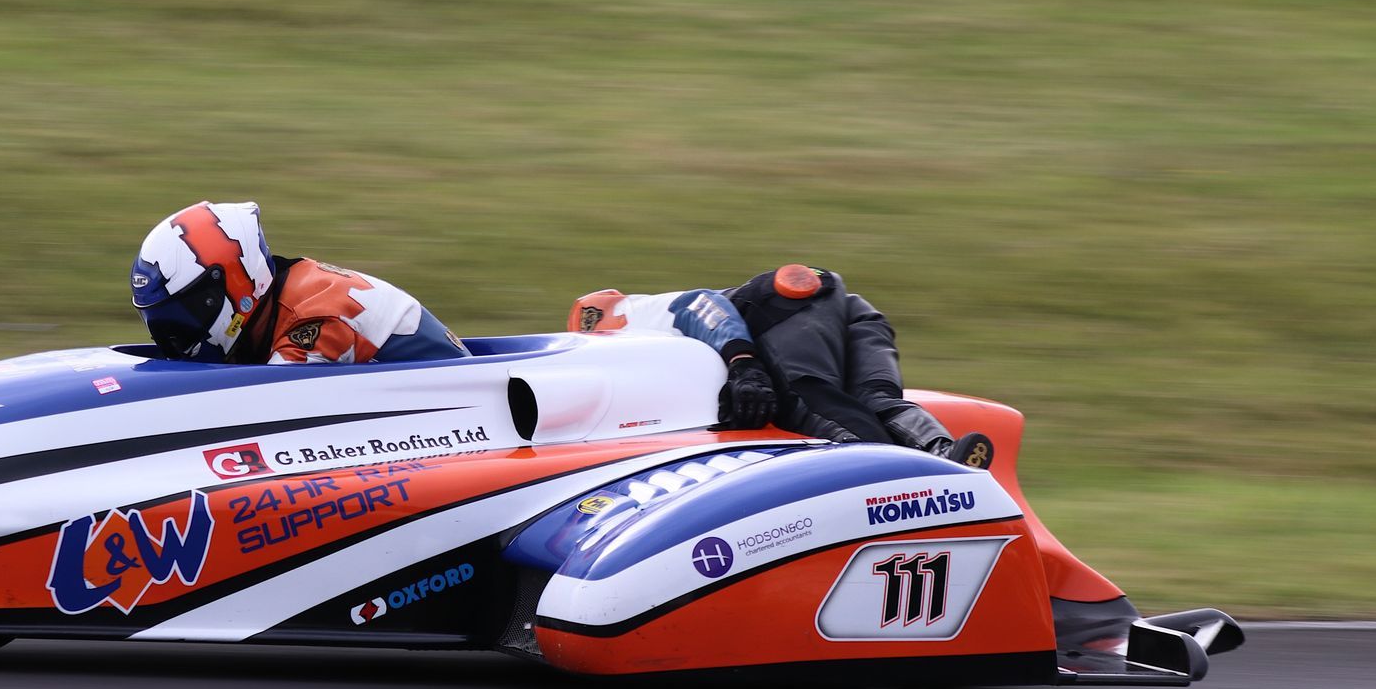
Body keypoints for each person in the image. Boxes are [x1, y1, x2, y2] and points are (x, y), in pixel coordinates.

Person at [568, 264, 991, 464]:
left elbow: (703, 304)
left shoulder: (631, 316)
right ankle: (946, 455)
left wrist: (744, 365)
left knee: (807, 398)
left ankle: (885, 475)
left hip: (785, 304)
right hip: (852, 310)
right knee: (878, 400)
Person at [132, 201, 468, 365]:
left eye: (183, 318)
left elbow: (272, 413)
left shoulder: (309, 321)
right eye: (162, 325)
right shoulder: (276, 305)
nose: (173, 339)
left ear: (237, 284)